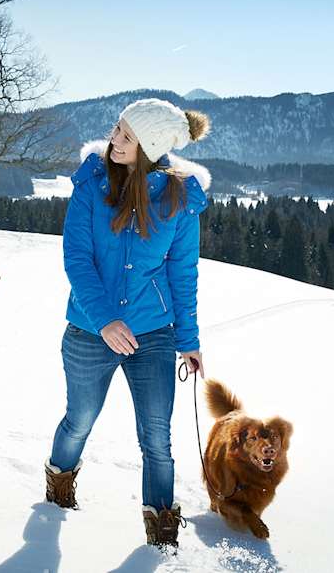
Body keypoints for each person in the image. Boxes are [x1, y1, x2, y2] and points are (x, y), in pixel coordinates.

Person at [44, 98, 211, 549]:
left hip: (152, 334)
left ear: (151, 147)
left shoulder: (178, 199)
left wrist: (189, 340)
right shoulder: (91, 184)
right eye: (116, 129)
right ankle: (58, 481)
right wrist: (105, 321)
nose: (113, 141)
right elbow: (77, 260)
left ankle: (161, 524)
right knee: (79, 420)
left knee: (157, 435)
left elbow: (183, 273)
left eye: (126, 137)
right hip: (88, 329)